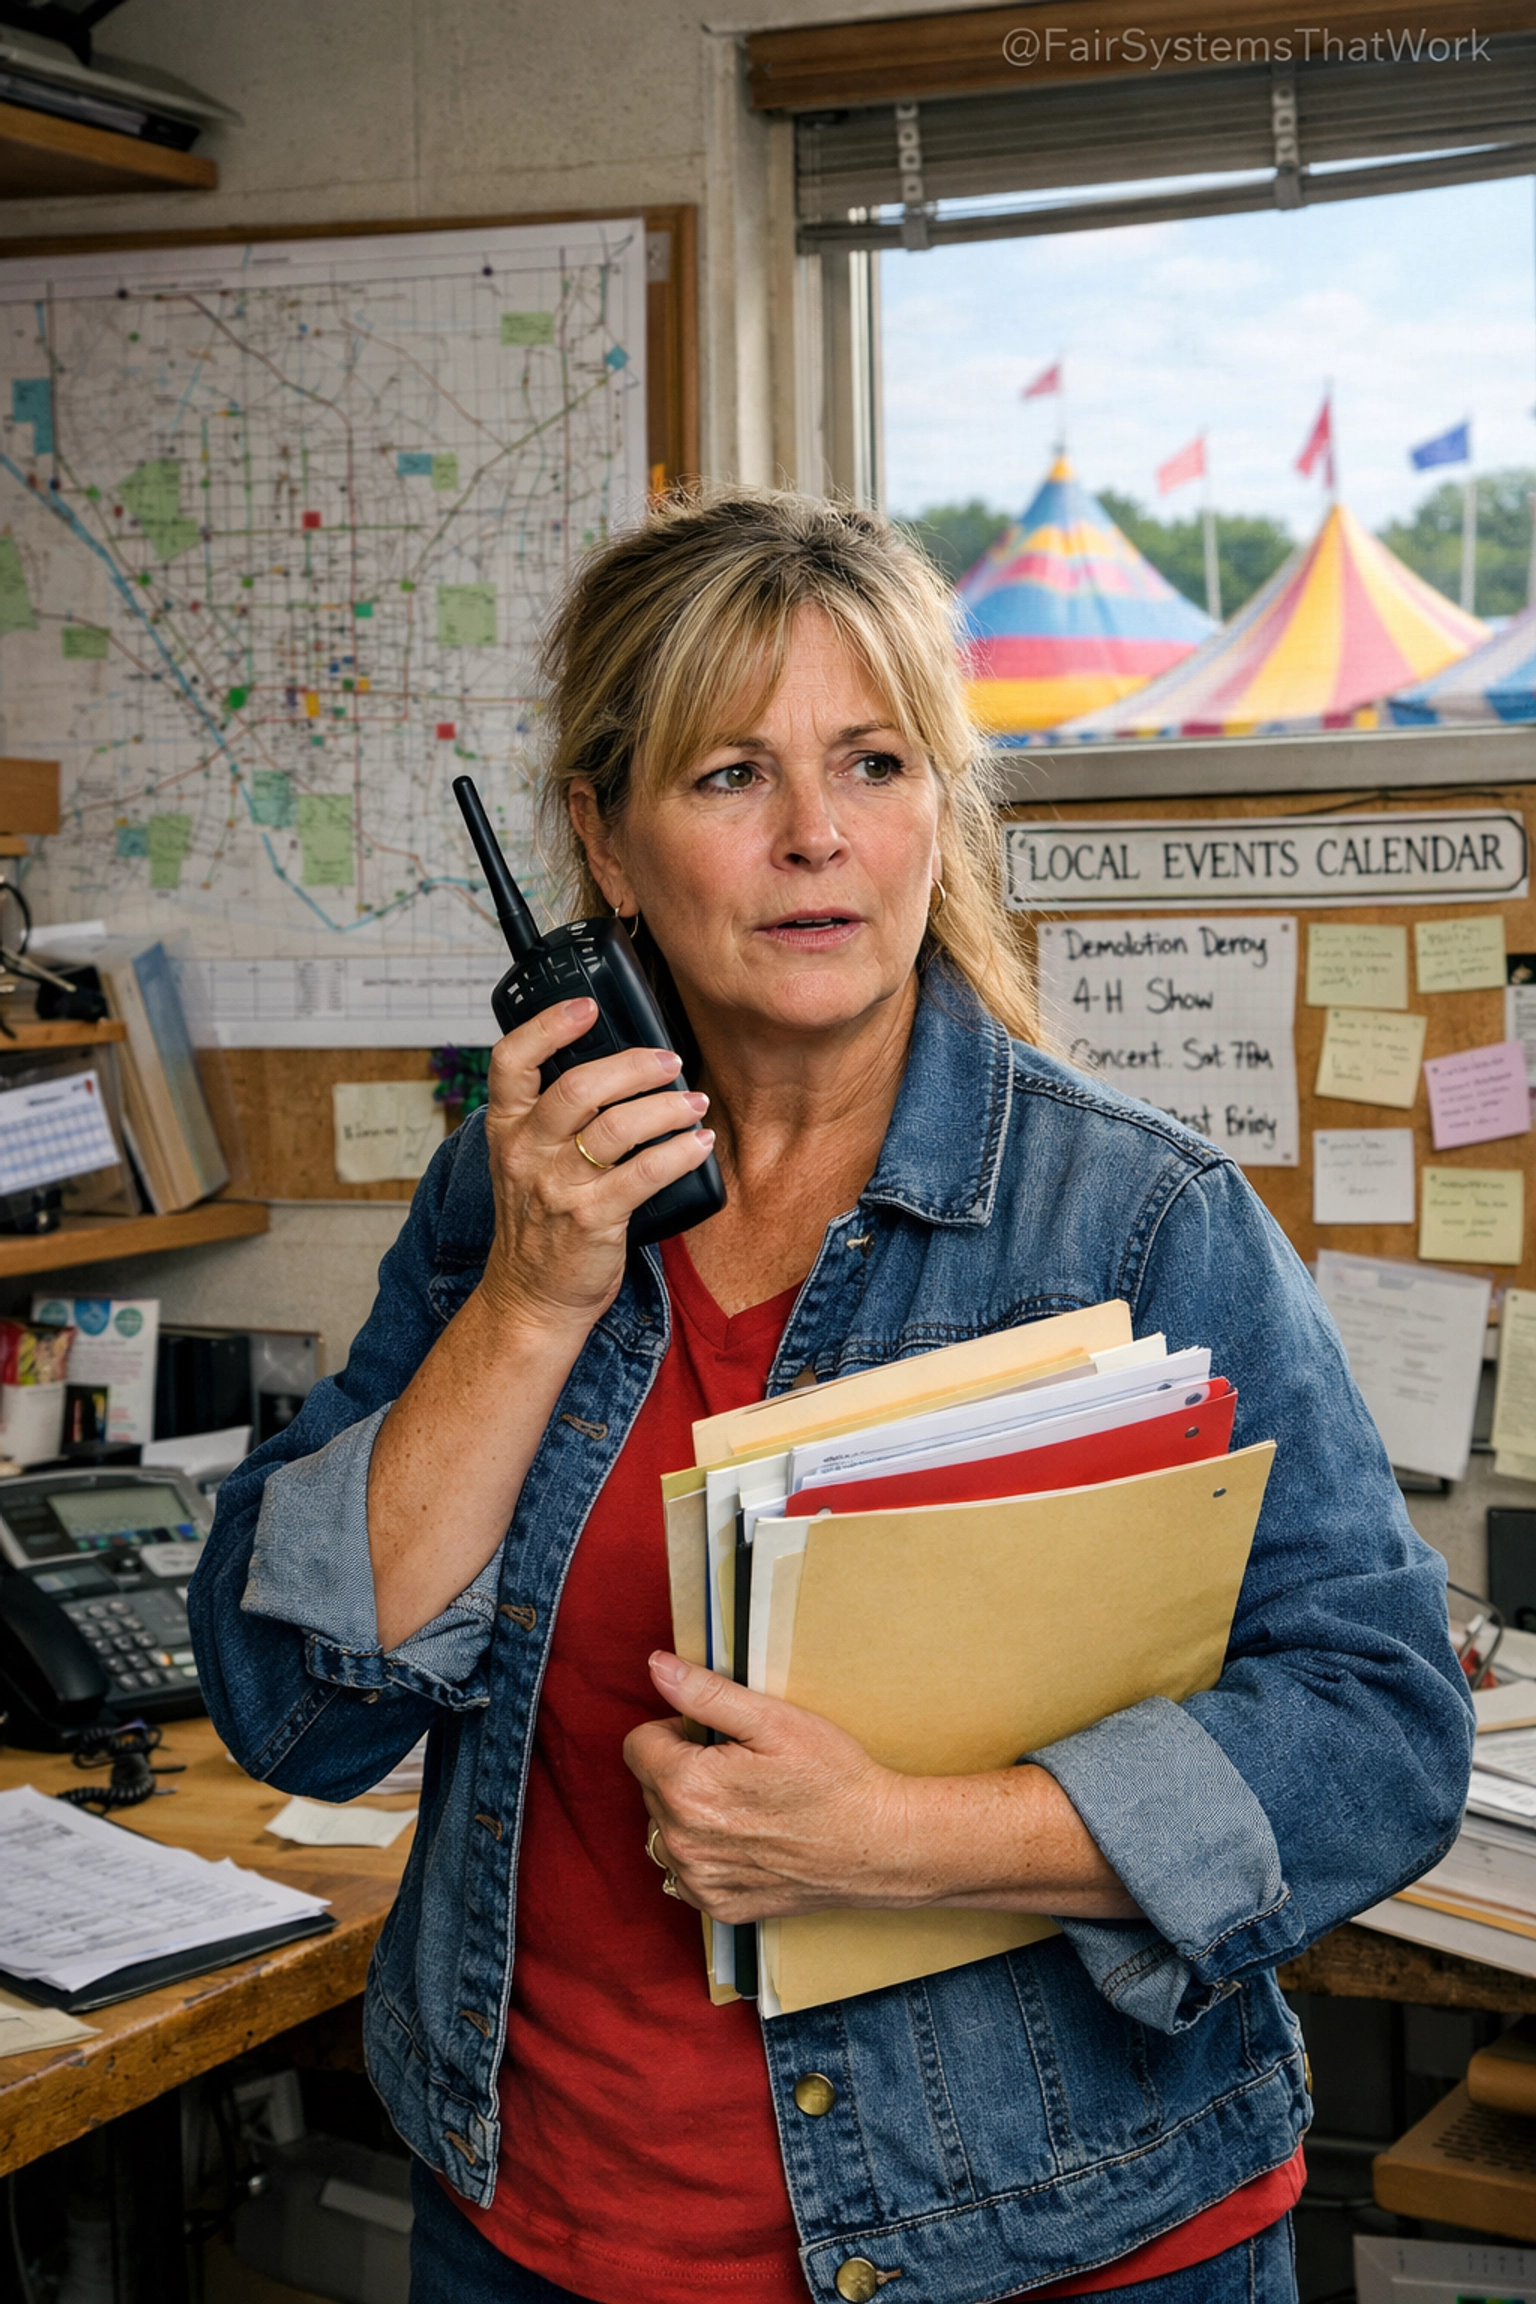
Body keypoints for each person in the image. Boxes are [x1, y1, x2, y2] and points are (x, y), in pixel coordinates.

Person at [190, 492, 1472, 2304]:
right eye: (732, 774)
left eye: (874, 763)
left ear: (939, 809)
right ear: (605, 844)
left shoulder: (1139, 1218)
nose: (816, 835)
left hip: (1055, 2250)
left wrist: (901, 1844)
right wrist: (535, 1296)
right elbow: (292, 1712)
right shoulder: (509, 1202)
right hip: (538, 2232)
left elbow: (1383, 1731)